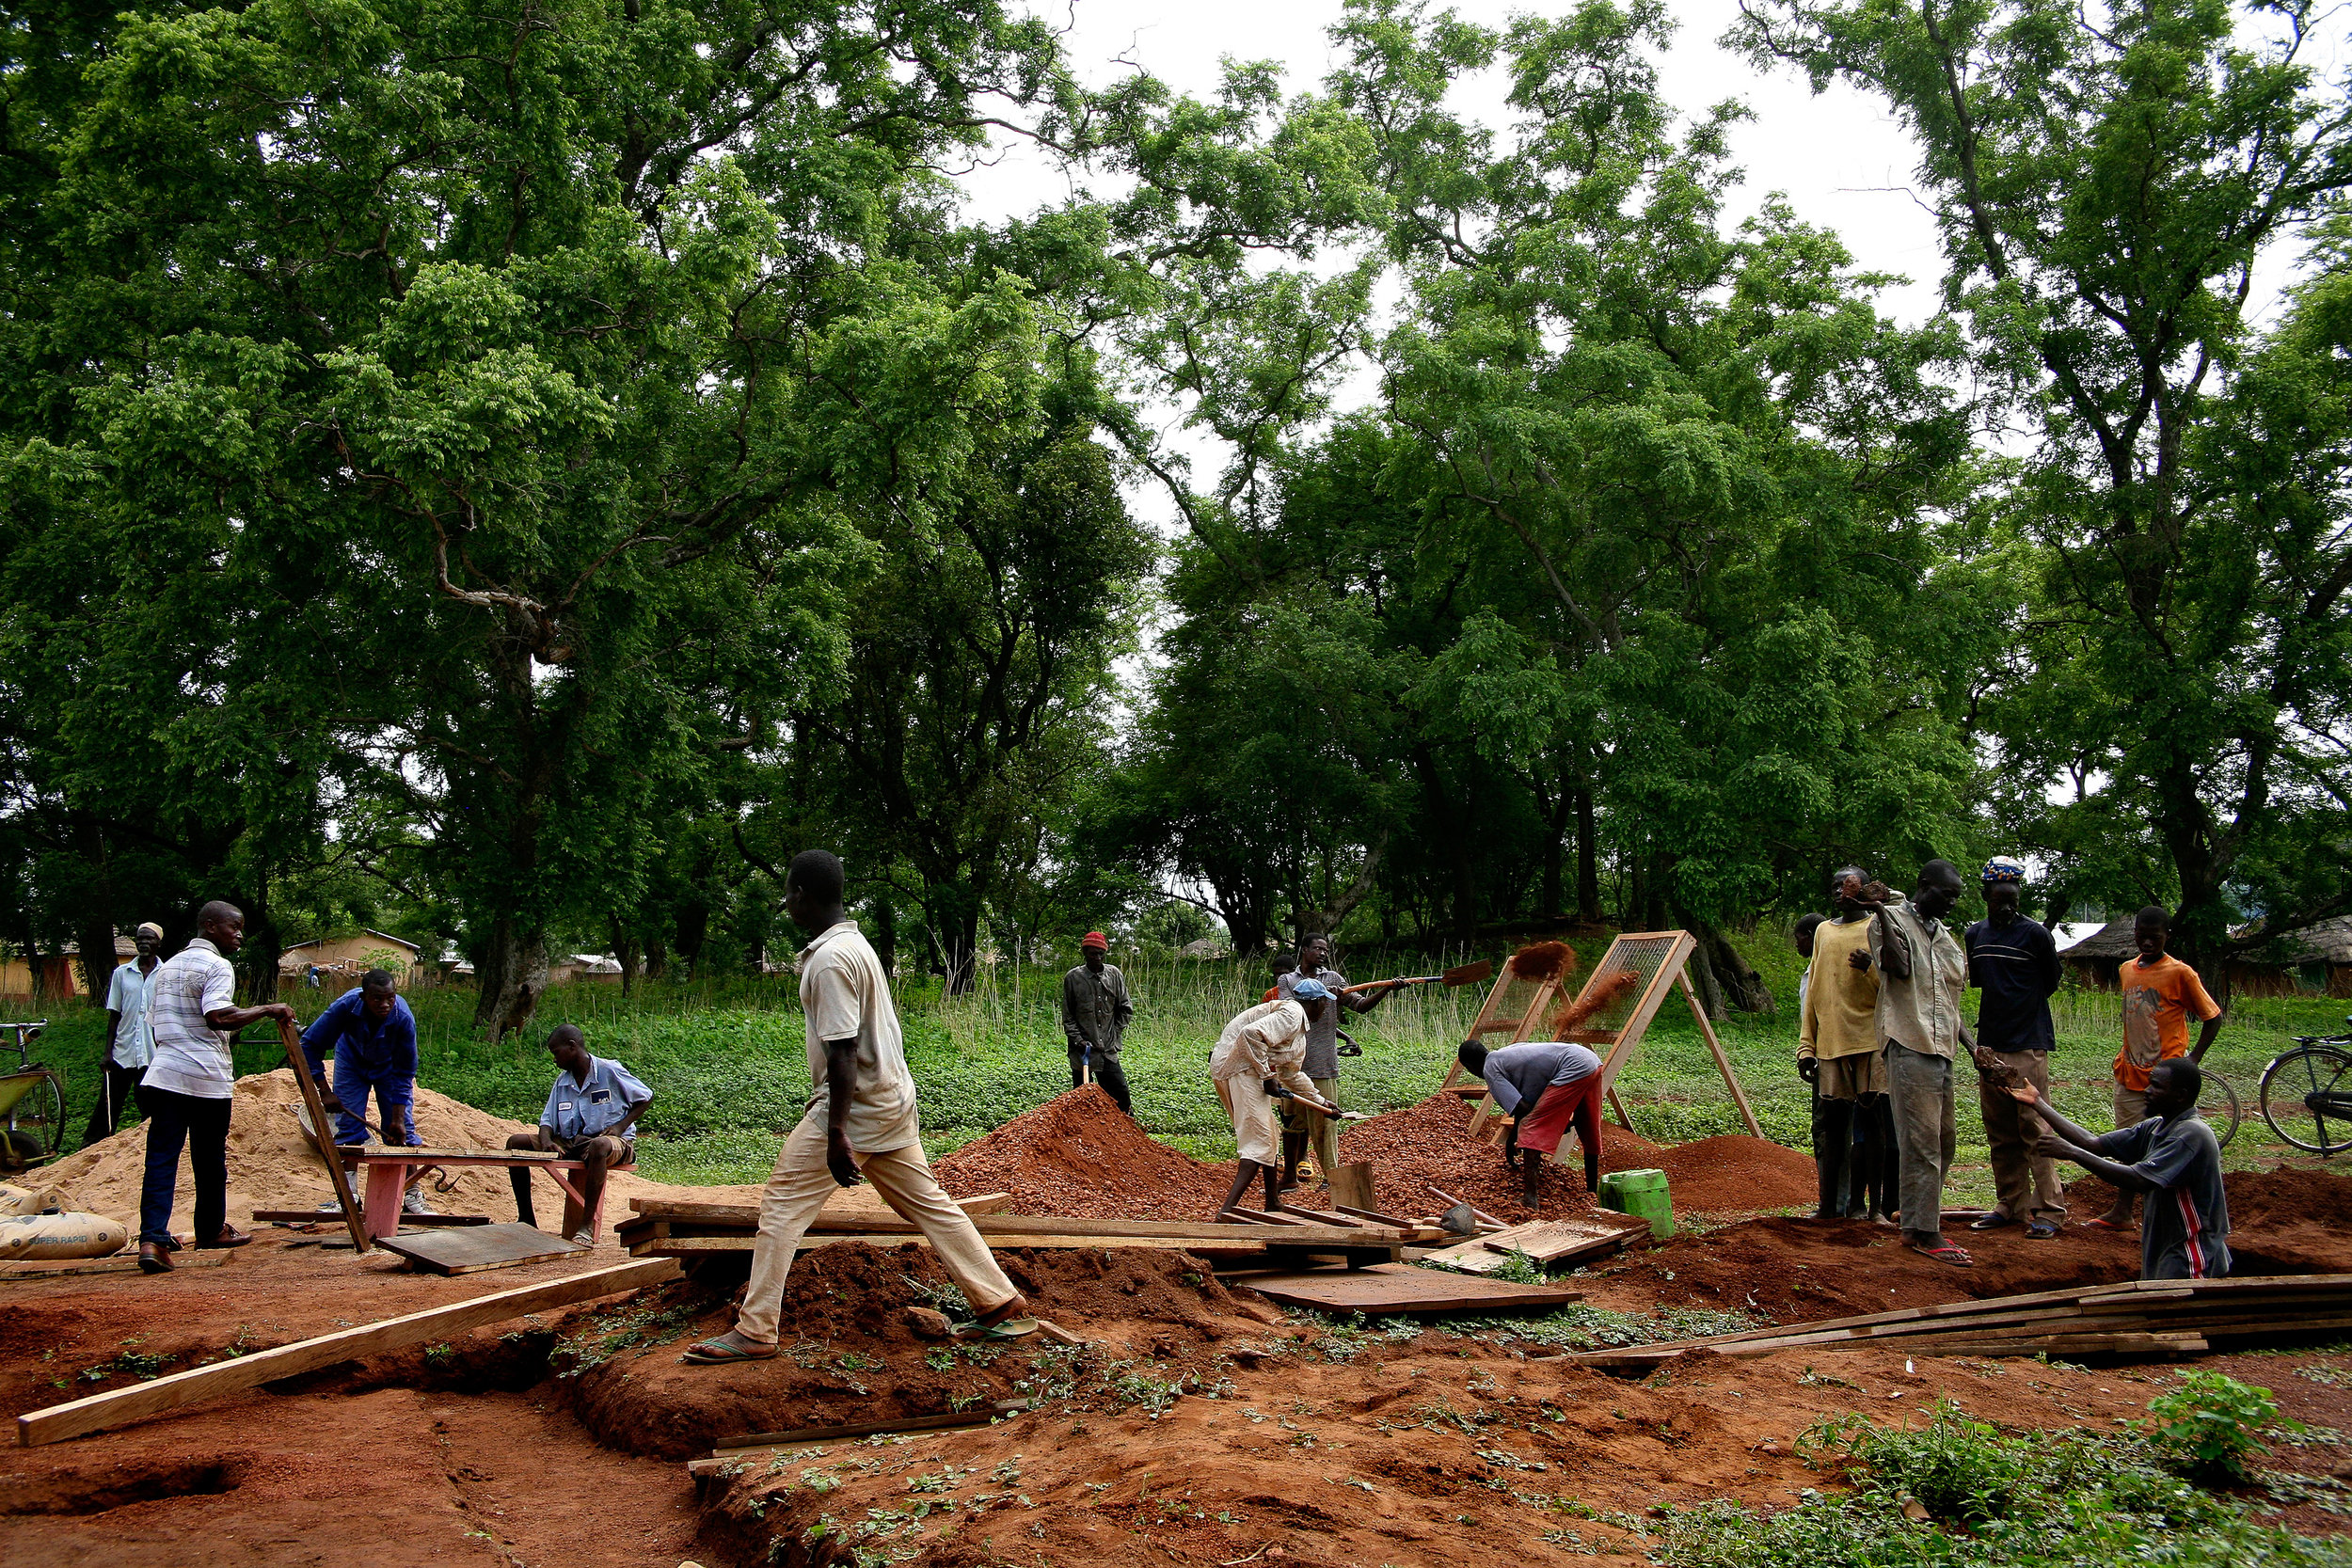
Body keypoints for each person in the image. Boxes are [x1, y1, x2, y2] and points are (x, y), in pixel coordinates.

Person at [685, 851, 1033, 1364]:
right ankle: (999, 1302)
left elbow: (843, 1049)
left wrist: (836, 1133)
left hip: (857, 1106)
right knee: (931, 1205)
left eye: (788, 892)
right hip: (892, 1097)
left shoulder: (828, 960)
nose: (787, 902)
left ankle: (756, 1330)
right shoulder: (853, 944)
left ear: (802, 892)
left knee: (781, 1206)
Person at [135, 901, 291, 1274]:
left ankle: (152, 1240)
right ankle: (209, 1230)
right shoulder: (218, 966)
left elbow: (159, 1022)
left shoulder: (166, 968)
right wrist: (269, 1009)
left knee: (160, 1160)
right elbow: (218, 1016)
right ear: (209, 927)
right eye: (233, 927)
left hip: (165, 1074)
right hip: (205, 1079)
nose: (239, 934)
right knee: (208, 1160)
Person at [2015, 1057, 2229, 1279]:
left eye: (2156, 1086)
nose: (2147, 1090)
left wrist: (2072, 1153)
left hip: (2191, 1249)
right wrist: (2038, 1103)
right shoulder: (2156, 1127)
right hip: (2166, 1246)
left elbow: (2138, 1180)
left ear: (2181, 1095)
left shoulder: (2191, 1135)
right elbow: (2093, 1143)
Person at [1857, 861, 1971, 1266]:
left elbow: (1950, 1004)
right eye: (1947, 894)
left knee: (1945, 1140)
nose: (1953, 903)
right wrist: (1883, 912)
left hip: (1943, 1049)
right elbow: (1897, 967)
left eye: (1957, 896)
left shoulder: (1946, 938)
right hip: (1908, 1044)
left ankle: (1916, 1215)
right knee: (1921, 1143)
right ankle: (1926, 1232)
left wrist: (1974, 1050)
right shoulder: (1888, 921)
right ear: (1924, 886)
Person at [2092, 905, 2224, 1231]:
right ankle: (2122, 1211)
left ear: (2167, 936)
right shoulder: (2126, 969)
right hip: (2129, 1070)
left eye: (2155, 937)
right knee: (2128, 1145)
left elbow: (2213, 1017)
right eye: (2142, 935)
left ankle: (2160, 1213)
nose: (2147, 942)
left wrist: (2192, 1059)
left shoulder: (2181, 973)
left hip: (2164, 1078)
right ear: (2134, 933)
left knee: (2160, 1148)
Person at [1964, 857, 2066, 1239]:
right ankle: (2010, 1204)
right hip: (1990, 1044)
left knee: (2035, 1128)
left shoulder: (2036, 935)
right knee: (2000, 1130)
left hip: (2028, 1044)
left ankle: (2050, 1210)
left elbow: (2049, 982)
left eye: (2013, 899)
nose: (2007, 906)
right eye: (1999, 899)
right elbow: (1982, 984)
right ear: (1986, 896)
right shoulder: (1976, 936)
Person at [1799, 868, 1890, 1222]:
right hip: (1831, 1044)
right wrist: (1807, 1044)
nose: (1840, 891)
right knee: (1834, 1129)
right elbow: (1815, 991)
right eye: (1835, 885)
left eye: (1848, 885)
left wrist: (1871, 967)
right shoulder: (1824, 931)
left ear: (1864, 889)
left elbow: (1897, 987)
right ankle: (1829, 1207)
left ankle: (1871, 1207)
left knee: (1873, 1127)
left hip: (1870, 1041)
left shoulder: (1878, 928)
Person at [504, 1024, 650, 1244]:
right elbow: (547, 1121)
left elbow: (646, 1097)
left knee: (599, 1146)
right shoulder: (562, 1081)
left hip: (612, 1142)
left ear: (572, 1047)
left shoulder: (609, 1070)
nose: (554, 1059)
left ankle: (586, 1225)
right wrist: (545, 1141)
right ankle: (526, 1218)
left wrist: (620, 1127)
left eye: (556, 1052)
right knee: (516, 1142)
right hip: (572, 1142)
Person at [1274, 935, 1394, 1192]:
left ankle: (1331, 1178)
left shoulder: (1334, 979)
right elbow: (1290, 1008)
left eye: (1325, 950)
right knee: (1293, 1124)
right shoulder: (1287, 980)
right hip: (1293, 1063)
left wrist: (1386, 989)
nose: (1322, 953)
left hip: (1323, 1063)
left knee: (1326, 1123)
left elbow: (1360, 1006)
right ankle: (1289, 1177)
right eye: (1316, 948)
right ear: (1303, 950)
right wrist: (1325, 995)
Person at [301, 968, 427, 1212]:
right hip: (352, 1062)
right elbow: (309, 1045)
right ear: (363, 997)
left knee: (402, 1131)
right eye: (377, 998)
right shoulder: (345, 1006)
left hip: (389, 1067)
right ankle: (349, 1197)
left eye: (390, 997)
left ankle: (411, 1194)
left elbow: (404, 1072)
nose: (385, 1004)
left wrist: (398, 1118)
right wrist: (324, 1091)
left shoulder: (403, 1018)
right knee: (348, 1126)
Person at [1209, 980, 1337, 1216]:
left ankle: (1272, 1201)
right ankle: (1227, 1210)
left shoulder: (1299, 1032)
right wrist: (1267, 1076)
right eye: (1324, 1003)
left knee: (1269, 1136)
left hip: (1247, 1071)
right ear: (1316, 1002)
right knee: (1259, 1141)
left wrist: (1321, 1102)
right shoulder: (1291, 1012)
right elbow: (1250, 1035)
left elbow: (1291, 1074)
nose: (1325, 1009)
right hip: (1238, 1068)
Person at [1458, 1037, 1604, 1205]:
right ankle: (1592, 1193)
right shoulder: (1505, 1054)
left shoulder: (1490, 1069)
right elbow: (1526, 1105)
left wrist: (1517, 1137)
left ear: (1470, 1067)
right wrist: (1514, 1137)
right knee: (1587, 1124)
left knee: (1530, 1126)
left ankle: (1530, 1198)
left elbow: (1522, 1110)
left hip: (1573, 1067)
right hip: (1591, 1061)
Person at [85, 922, 163, 1144]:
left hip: (152, 1053)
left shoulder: (165, 974)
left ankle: (143, 1154)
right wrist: (107, 1052)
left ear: (158, 942)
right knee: (108, 1106)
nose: (144, 943)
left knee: (151, 1107)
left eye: (149, 939)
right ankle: (91, 1150)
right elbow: (114, 1016)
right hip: (123, 1051)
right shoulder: (122, 973)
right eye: (140, 939)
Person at [1059, 932, 1134, 1115]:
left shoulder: (1114, 974)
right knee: (1082, 1100)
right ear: (1085, 953)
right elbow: (1068, 1016)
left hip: (1107, 1050)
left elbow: (1125, 1009)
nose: (1098, 958)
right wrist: (1078, 1040)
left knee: (1121, 1095)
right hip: (1082, 1051)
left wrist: (1113, 1034)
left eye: (1101, 954)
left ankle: (1127, 1131)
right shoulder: (1073, 978)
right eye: (1093, 954)